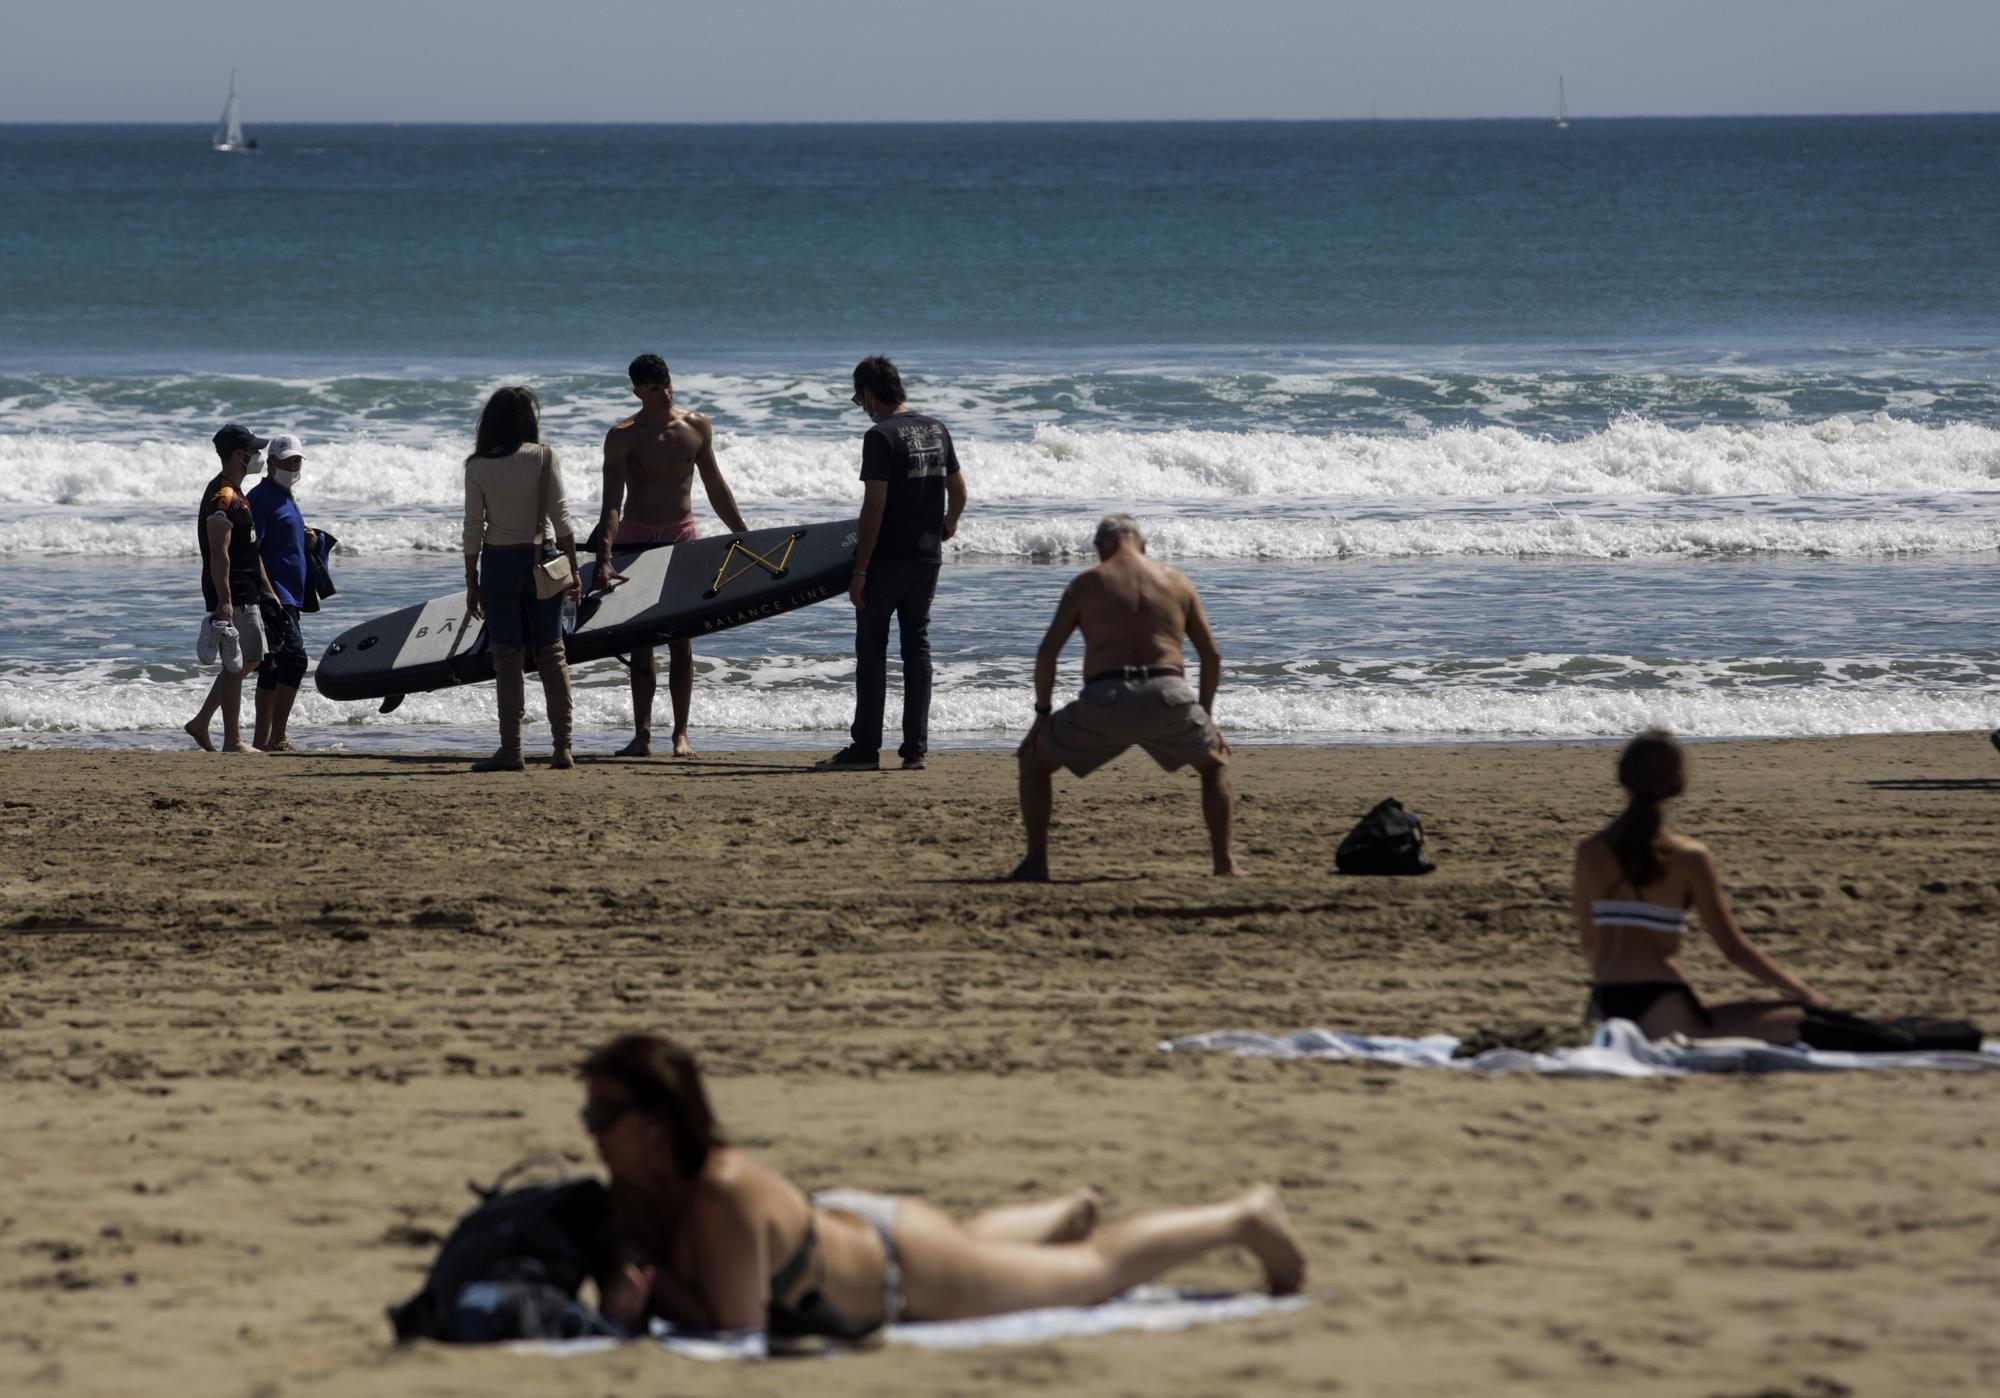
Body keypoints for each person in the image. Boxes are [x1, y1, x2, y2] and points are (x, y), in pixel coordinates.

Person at [578, 1034, 1305, 1342]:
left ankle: (1243, 1218)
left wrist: (648, 1292)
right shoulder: (647, 1184)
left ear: (654, 1122)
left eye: (603, 1115)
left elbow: (740, 1333)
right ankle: (1064, 1210)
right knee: (980, 1246)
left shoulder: (720, 1193)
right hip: (869, 1233)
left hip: (910, 1273)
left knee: (1094, 1272)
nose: (590, 1131)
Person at [1009, 515, 1238, 881]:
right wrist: (1206, 716)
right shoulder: (1177, 581)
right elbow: (1212, 655)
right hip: (1169, 694)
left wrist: (1041, 715)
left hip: (1106, 697)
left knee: (1034, 763)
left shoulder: (1088, 583)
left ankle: (1037, 862)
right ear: (1142, 544)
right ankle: (1224, 863)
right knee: (1215, 765)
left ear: (1101, 548)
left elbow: (1047, 653)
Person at [1573, 729, 1831, 1044]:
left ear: (1623, 777)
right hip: (1663, 1003)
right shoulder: (1689, 856)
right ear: (1677, 781)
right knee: (1810, 1019)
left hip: (1603, 1003)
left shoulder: (1590, 850)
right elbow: (1733, 949)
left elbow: (1590, 943)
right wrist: (1803, 991)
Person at [594, 354, 748, 758]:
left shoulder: (695, 426)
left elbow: (716, 487)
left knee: (682, 640)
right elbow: (612, 503)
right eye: (654, 388)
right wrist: (605, 555)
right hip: (636, 539)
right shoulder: (622, 436)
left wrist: (745, 536)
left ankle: (681, 734)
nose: (664, 393)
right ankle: (641, 735)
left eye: (667, 385)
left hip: (682, 537)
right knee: (641, 641)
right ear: (637, 391)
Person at [822, 355, 967, 772]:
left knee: (872, 651)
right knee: (917, 648)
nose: (861, 406)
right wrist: (948, 524)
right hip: (927, 558)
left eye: (858, 399)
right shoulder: (936, 429)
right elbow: (959, 491)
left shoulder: (880, 436)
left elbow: (874, 508)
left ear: (869, 394)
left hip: (887, 562)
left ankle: (866, 749)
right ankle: (915, 750)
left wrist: (861, 569)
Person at [463, 387, 581, 772]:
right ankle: (563, 747)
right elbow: (561, 519)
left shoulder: (478, 465)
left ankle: (511, 749)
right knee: (552, 654)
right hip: (542, 561)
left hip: (497, 565)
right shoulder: (545, 457)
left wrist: (470, 579)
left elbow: (472, 528)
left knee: (507, 658)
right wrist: (574, 568)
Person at [184, 423, 278, 753]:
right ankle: (233, 741)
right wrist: (224, 600)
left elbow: (248, 547)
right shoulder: (223, 496)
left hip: (245, 588)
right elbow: (218, 552)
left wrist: (266, 587)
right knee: (245, 660)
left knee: (245, 661)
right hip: (234, 592)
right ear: (240, 455)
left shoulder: (235, 492)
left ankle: (202, 722)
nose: (259, 456)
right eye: (255, 450)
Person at [246, 433, 316, 751]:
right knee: (296, 660)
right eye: (287, 461)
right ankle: (278, 736)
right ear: (271, 462)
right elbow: (253, 549)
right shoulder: (261, 498)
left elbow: (283, 536)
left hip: (291, 593)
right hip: (277, 594)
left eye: (297, 461)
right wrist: (267, 592)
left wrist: (309, 539)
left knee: (273, 667)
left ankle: (264, 741)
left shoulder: (288, 496)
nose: (293, 465)